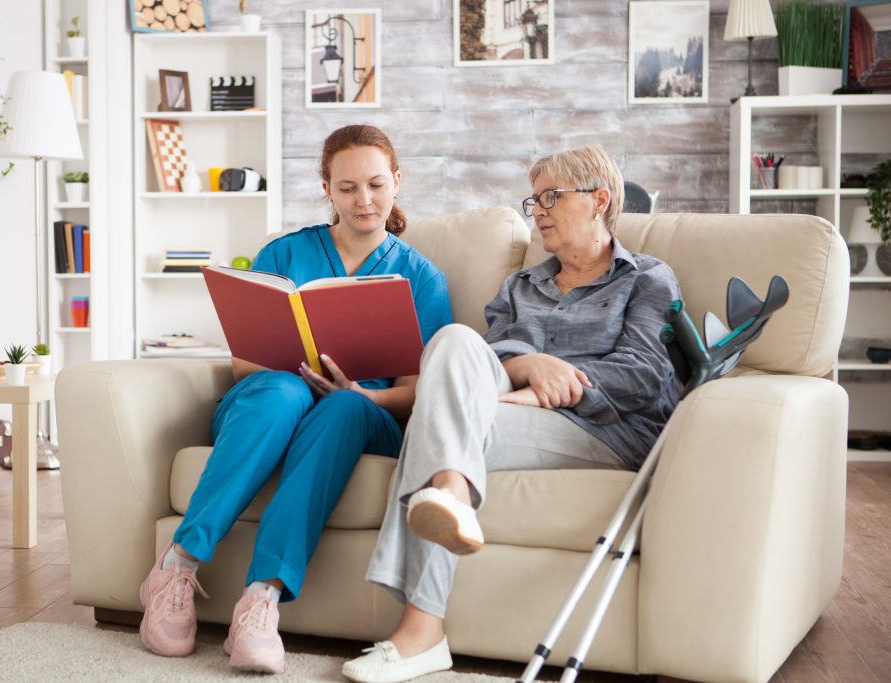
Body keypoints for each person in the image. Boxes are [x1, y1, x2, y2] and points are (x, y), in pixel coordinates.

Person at [342, 146, 683, 683]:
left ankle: (421, 630)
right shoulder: (520, 286)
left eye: (552, 196)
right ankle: (450, 496)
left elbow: (643, 374)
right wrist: (532, 364)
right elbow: (492, 354)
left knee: (441, 420)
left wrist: (547, 388)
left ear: (600, 200)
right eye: (534, 200)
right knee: (452, 341)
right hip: (509, 410)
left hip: (606, 430)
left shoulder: (647, 278)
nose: (539, 210)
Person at [137, 124, 453, 674]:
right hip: (273, 399)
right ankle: (176, 567)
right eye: (348, 187)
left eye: (376, 185)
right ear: (326, 188)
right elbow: (243, 364)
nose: (364, 200)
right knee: (283, 392)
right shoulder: (283, 253)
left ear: (397, 183)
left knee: (343, 407)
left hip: (364, 415)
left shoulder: (421, 277)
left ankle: (261, 599)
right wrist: (300, 377)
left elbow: (420, 392)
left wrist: (359, 394)